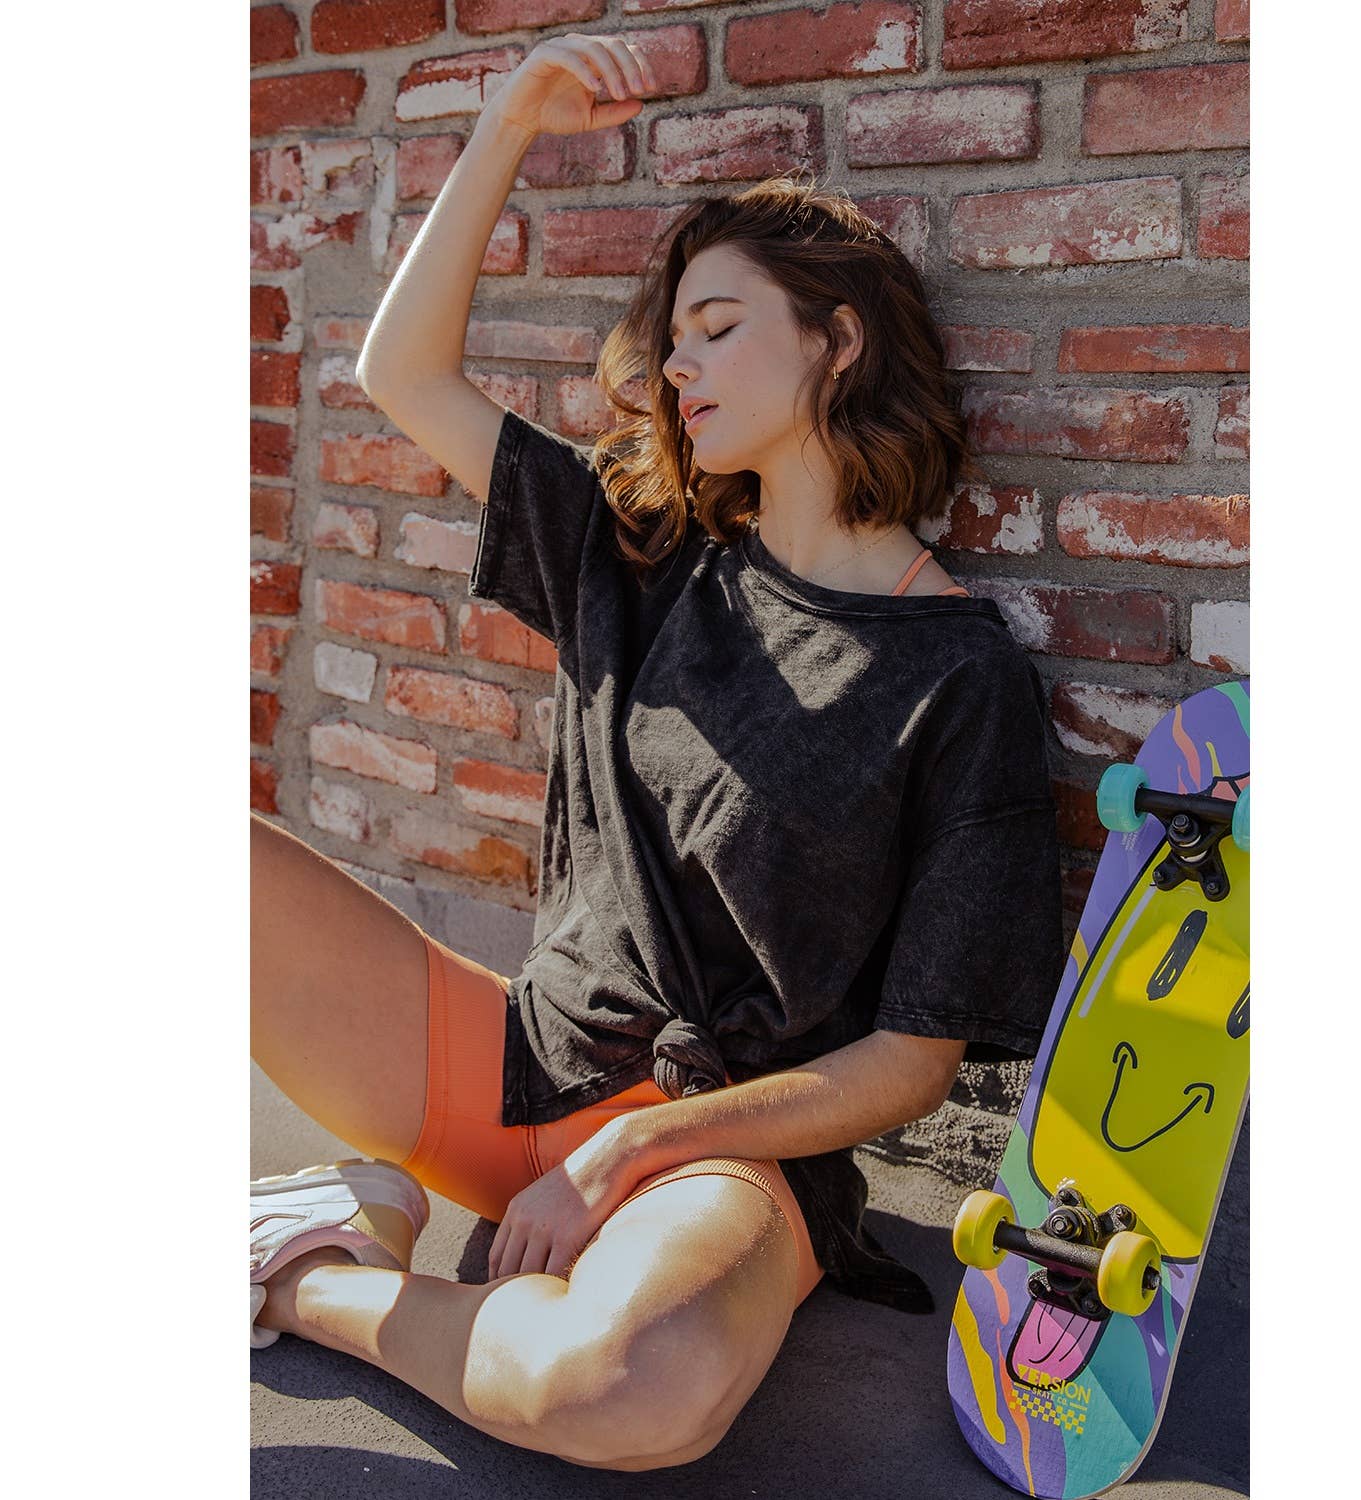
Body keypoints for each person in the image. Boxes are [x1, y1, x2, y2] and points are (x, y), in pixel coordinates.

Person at [250, 30, 1063, 1474]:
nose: (678, 363)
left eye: (719, 325)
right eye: (673, 335)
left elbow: (911, 1062)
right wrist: (509, 119)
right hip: (508, 1064)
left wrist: (634, 1150)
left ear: (839, 341)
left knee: (630, 1385)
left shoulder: (960, 677)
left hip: (719, 1159)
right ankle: (375, 1220)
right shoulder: (641, 562)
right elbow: (402, 370)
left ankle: (303, 1273)